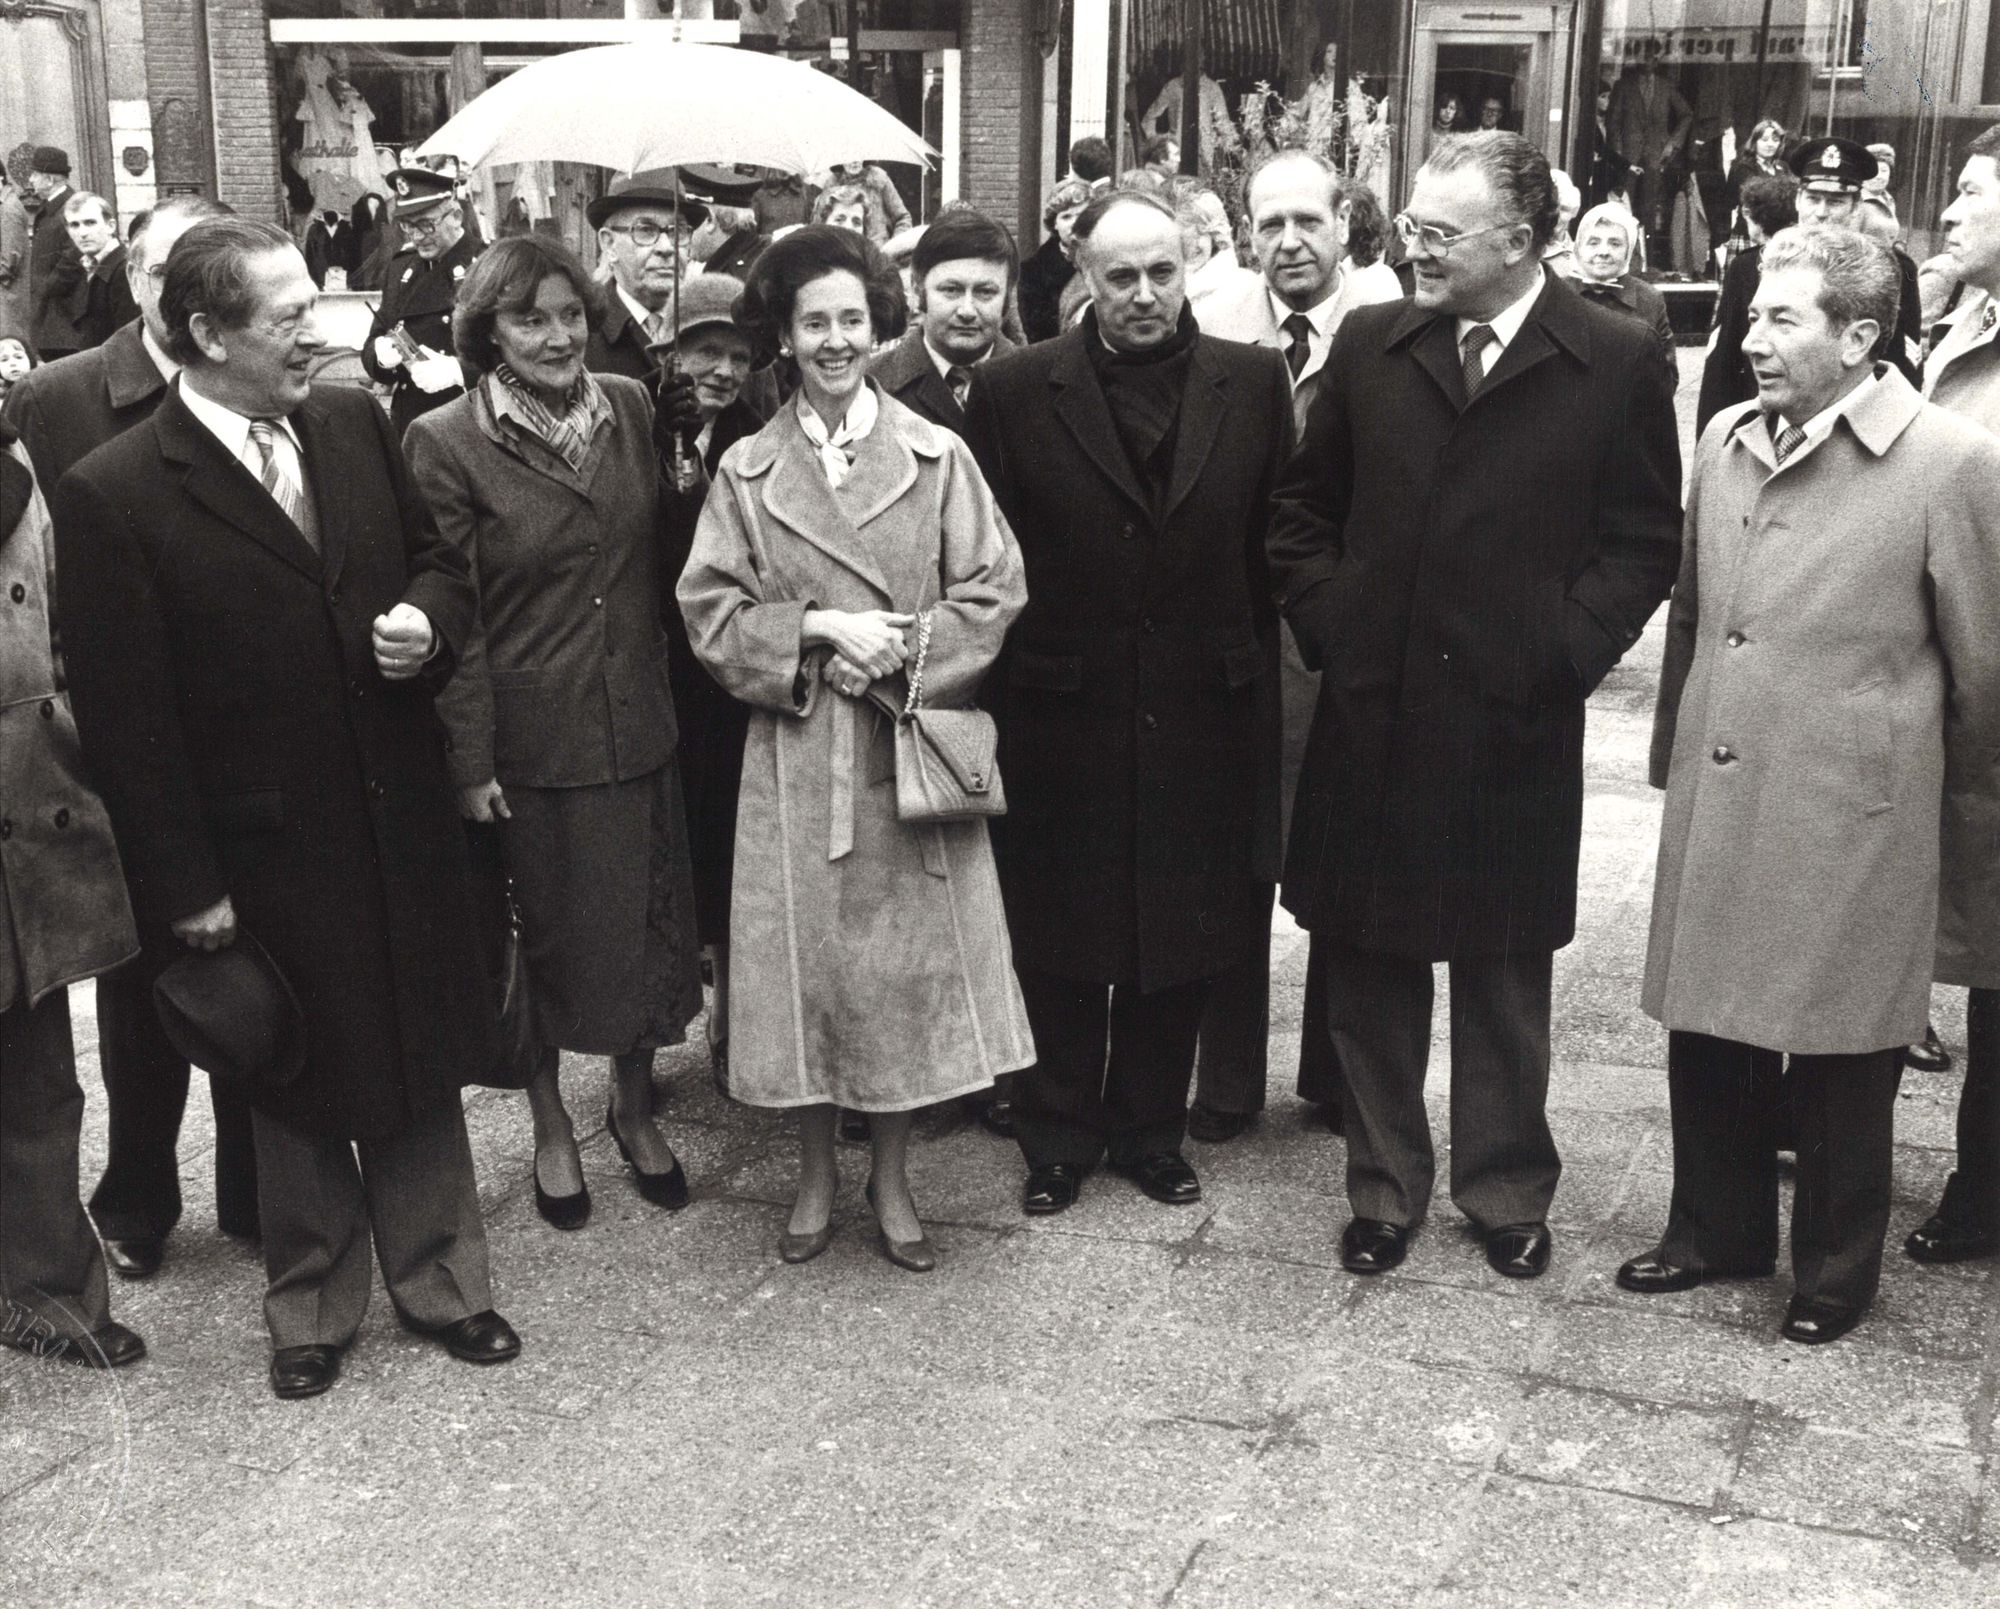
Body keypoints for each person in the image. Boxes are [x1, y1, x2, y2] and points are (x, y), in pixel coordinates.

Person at [55, 217, 518, 1400]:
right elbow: (127, 723)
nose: (317, 331)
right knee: (296, 1070)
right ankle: (309, 1305)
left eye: (312, 304)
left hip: (393, 819)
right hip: (260, 853)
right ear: (205, 333)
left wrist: (429, 622)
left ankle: (447, 1281)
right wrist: (189, 890)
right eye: (285, 315)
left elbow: (439, 565)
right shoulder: (116, 492)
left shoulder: (354, 420)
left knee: (415, 1055)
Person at [1267, 131, 1682, 1279]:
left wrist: (1557, 657)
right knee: (1366, 958)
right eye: (1410, 226)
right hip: (1375, 712)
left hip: (1511, 722)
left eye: (1438, 233)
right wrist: (1338, 629)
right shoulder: (1370, 339)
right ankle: (1382, 1187)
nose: (1411, 246)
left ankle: (1504, 1190)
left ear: (1519, 238)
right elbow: (1301, 511)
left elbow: (1643, 540)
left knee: (1503, 969)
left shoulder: (1612, 355)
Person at [1627, 226, 2000, 1344]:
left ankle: (1832, 1272)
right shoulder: (1726, 441)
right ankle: (1712, 1229)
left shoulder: (1948, 463)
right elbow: (1690, 620)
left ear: (1857, 335)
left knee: (1842, 1048)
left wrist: (1955, 826)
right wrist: (1673, 760)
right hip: (1725, 780)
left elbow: (1983, 673)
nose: (1750, 339)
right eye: (1748, 316)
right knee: (1708, 1020)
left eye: (1780, 319)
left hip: (1858, 812)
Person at [678, 226, 1032, 1271]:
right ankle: (811, 1176)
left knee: (894, 976)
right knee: (804, 971)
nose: (835, 339)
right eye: (812, 321)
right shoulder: (745, 470)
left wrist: (899, 649)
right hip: (794, 758)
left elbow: (995, 588)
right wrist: (817, 633)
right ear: (782, 337)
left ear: (880, 325)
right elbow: (707, 610)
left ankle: (889, 1179)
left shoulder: (937, 455)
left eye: (851, 319)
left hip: (900, 747)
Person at [964, 190, 1293, 1215]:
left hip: (1203, 703)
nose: (1143, 294)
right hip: (1062, 704)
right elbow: (990, 553)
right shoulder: (1017, 390)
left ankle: (1151, 1127)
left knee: (1178, 925)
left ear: (1189, 264)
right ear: (1084, 280)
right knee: (1059, 925)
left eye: (1161, 271)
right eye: (1120, 276)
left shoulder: (1250, 381)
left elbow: (1267, 548)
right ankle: (1055, 1131)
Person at [405, 236, 705, 1233]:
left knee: (648, 928)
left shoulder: (627, 405)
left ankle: (629, 1104)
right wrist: (469, 757)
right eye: (530, 318)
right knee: (537, 938)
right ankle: (547, 1125)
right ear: (486, 333)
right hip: (530, 738)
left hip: (638, 719)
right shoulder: (444, 441)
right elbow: (461, 614)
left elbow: (663, 556)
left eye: (571, 314)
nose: (557, 335)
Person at [1, 193, 257, 1280]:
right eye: (162, 267)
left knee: (255, 966)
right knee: (141, 987)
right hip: (111, 740)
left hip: (240, 735)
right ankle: (139, 1195)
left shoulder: (256, 373)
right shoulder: (59, 400)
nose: (182, 284)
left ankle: (256, 1185)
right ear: (134, 279)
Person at [1192, 149, 1404, 1145]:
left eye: (1304, 222)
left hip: (1340, 639)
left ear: (1342, 222)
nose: (1286, 242)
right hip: (1234, 636)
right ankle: (1226, 1082)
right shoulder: (1215, 328)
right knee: (1232, 854)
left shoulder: (1386, 333)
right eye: (1267, 224)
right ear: (1245, 232)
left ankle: (1331, 1073)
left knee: (1342, 850)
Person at [0, 411, 146, 1374]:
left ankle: (47, 1287)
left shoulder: (12, 469)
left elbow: (59, 626)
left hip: (26, 800)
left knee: (39, 1074)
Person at [1895, 126, 2000, 1266]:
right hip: (1952, 693)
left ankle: (1984, 1188)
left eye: (1973, 191)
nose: (1950, 208)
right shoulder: (1959, 326)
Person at [645, 273, 768, 1095]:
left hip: (725, 679)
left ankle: (733, 1024)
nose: (720, 370)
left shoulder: (759, 435)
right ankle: (651, 1029)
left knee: (727, 847)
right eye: (703, 350)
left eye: (735, 355)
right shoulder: (642, 423)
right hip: (656, 668)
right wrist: (668, 460)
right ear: (671, 351)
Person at [871, 209, 1018, 436]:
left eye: (985, 292)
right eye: (951, 290)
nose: (967, 311)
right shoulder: (872, 387)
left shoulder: (1038, 387)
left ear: (1007, 297)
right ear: (918, 290)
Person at [360, 165, 482, 436]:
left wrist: (459, 371)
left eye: (426, 225)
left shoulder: (488, 266)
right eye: (407, 226)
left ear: (456, 216)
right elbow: (375, 338)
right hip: (412, 423)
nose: (416, 237)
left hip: (468, 424)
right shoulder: (401, 268)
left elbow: (515, 355)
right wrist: (380, 357)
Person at [1789, 139, 1920, 383]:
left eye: (1835, 202)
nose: (1821, 212)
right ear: (1798, 199)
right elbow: (1722, 372)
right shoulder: (1750, 268)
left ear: (1856, 207)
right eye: (1813, 198)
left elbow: (1904, 363)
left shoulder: (1894, 270)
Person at [582, 170, 709, 380]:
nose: (667, 247)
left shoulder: (712, 325)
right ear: (609, 244)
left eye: (677, 231)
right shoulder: (583, 333)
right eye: (645, 230)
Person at [1696, 174, 1797, 432]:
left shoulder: (1744, 266)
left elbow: (1723, 347)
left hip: (1751, 396)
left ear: (1758, 221)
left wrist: (1708, 429)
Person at [1566, 202, 1676, 372]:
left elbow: (1665, 376)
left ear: (1628, 251)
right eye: (1593, 242)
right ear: (1579, 248)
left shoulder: (1650, 300)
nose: (1603, 251)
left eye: (1615, 243)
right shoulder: (1557, 293)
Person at [24, 147, 82, 362]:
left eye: (34, 175)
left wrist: (46, 287)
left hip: (65, 320)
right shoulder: (53, 207)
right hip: (52, 319)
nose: (30, 180)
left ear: (49, 179)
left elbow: (73, 258)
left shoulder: (72, 206)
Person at [1174, 184, 1263, 322]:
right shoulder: (1170, 285)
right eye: (1181, 242)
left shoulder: (1244, 285)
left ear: (1214, 236)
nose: (1192, 247)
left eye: (1201, 234)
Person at [1019, 179, 1091, 342]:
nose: (1074, 224)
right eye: (1066, 217)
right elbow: (1035, 333)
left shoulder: (1105, 260)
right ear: (1054, 224)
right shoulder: (1033, 271)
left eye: (1081, 215)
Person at [65, 193, 135, 350]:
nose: (82, 233)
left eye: (90, 223)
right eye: (74, 225)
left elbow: (129, 339)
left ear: (111, 226)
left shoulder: (124, 269)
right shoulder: (88, 264)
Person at [825, 159, 911, 246]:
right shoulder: (832, 185)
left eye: (859, 154)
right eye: (849, 156)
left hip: (878, 250)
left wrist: (892, 247)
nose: (855, 161)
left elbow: (903, 218)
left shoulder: (879, 180)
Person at [1726, 119, 1787, 237]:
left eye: (1775, 140)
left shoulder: (1784, 167)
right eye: (1764, 140)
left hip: (1778, 234)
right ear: (1755, 142)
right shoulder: (1743, 167)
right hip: (1749, 233)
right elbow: (1755, 198)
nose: (1770, 144)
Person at [348, 192, 391, 291]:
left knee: (379, 259)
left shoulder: (382, 222)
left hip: (377, 237)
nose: (372, 205)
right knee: (366, 260)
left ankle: (374, 283)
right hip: (366, 237)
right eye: (370, 203)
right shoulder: (360, 210)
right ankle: (367, 283)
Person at [0, 318, 33, 401]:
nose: (12, 363)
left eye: (18, 357)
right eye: (4, 360)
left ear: (30, 360)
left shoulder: (40, 387)